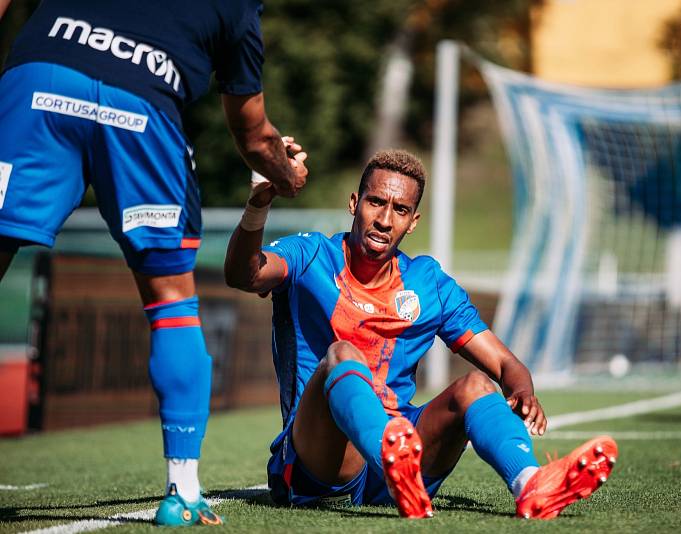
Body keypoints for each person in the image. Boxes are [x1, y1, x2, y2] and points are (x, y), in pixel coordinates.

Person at [0, 0, 308, 526]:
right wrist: (286, 177)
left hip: (39, 80)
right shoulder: (238, 8)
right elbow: (254, 134)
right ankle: (182, 490)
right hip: (139, 107)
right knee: (171, 302)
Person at [224, 149, 616, 519]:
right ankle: (392, 461)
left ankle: (531, 484)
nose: (384, 219)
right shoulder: (311, 255)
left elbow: (503, 363)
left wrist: (523, 391)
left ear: (413, 221)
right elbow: (244, 274)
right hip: (324, 461)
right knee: (342, 354)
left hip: (403, 453)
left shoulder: (428, 283)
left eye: (400, 210)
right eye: (375, 202)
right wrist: (259, 203)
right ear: (353, 203)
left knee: (477, 385)